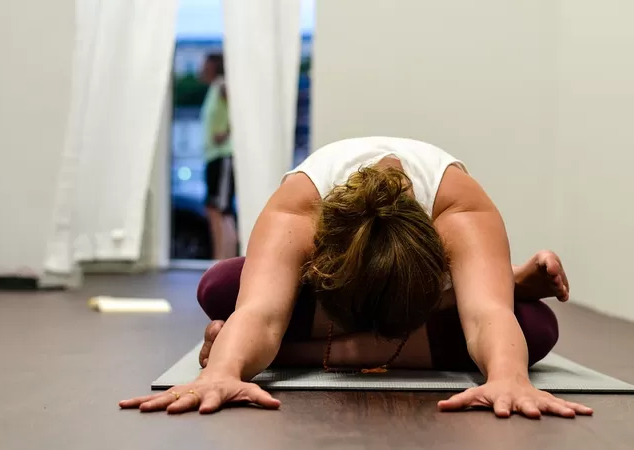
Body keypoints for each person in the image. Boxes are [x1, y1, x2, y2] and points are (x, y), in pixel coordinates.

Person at [121, 137, 593, 419]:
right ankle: (504, 279)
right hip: (349, 295)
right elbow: (260, 313)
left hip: (399, 300)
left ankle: (488, 283)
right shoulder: (299, 205)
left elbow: (488, 315)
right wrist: (221, 375)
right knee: (221, 286)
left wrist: (509, 380)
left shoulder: (459, 208)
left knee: (535, 330)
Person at [200, 53, 237, 260]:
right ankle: (219, 261)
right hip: (213, 157)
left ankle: (225, 262)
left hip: (224, 157)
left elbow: (239, 108)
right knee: (214, 209)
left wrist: (228, 131)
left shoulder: (222, 85)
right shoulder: (213, 89)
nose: (201, 68)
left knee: (222, 211)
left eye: (205, 64)